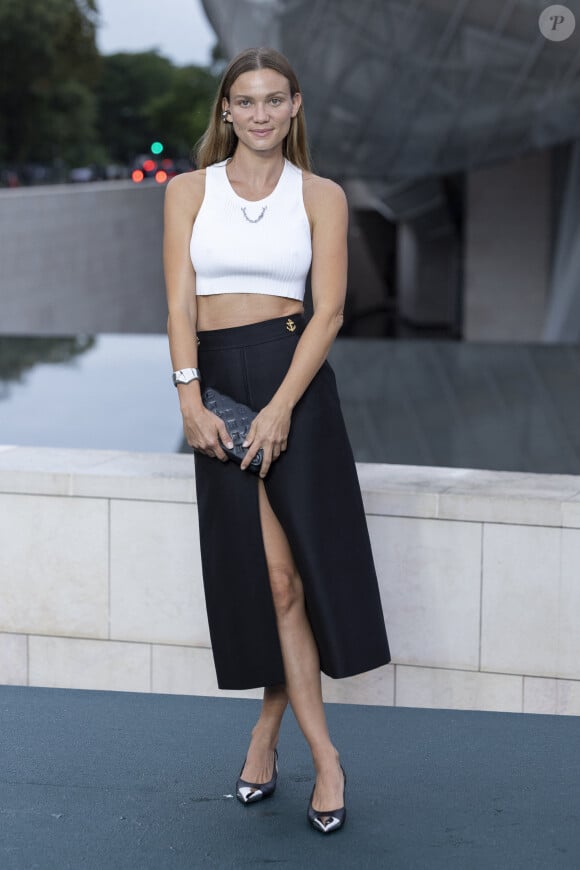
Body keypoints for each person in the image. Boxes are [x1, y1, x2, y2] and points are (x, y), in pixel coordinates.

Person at [163, 46, 390, 834]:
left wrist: (284, 405)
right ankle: (289, 740)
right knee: (272, 581)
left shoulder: (321, 195)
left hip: (296, 383)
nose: (259, 114)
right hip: (217, 384)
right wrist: (189, 397)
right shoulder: (187, 191)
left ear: (295, 108)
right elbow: (178, 306)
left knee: (300, 580)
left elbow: (328, 312)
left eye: (274, 100)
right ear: (226, 111)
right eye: (245, 101)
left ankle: (303, 750)